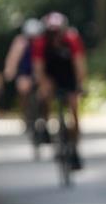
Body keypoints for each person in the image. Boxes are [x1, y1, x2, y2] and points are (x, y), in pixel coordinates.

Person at [32, 12, 87, 170]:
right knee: (45, 97)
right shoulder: (41, 43)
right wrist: (43, 84)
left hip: (68, 74)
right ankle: (48, 129)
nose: (55, 36)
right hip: (51, 74)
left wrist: (80, 84)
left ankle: (74, 148)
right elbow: (38, 67)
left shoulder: (72, 39)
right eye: (51, 32)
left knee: (74, 108)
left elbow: (79, 64)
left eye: (57, 32)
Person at [3, 18, 45, 141]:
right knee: (23, 89)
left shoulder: (43, 42)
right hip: (24, 73)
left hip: (40, 72)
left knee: (44, 94)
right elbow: (13, 58)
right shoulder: (20, 42)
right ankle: (26, 116)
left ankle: (42, 117)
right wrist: (9, 71)